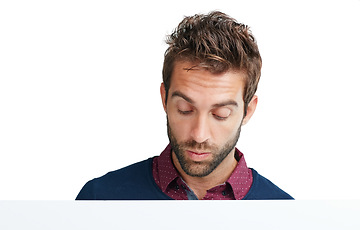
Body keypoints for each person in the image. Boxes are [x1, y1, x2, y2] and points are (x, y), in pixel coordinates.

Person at [76, 11, 293, 200]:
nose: (199, 135)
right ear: (164, 99)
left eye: (220, 114)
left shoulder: (287, 216)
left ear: (248, 110)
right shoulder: (101, 199)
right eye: (185, 110)